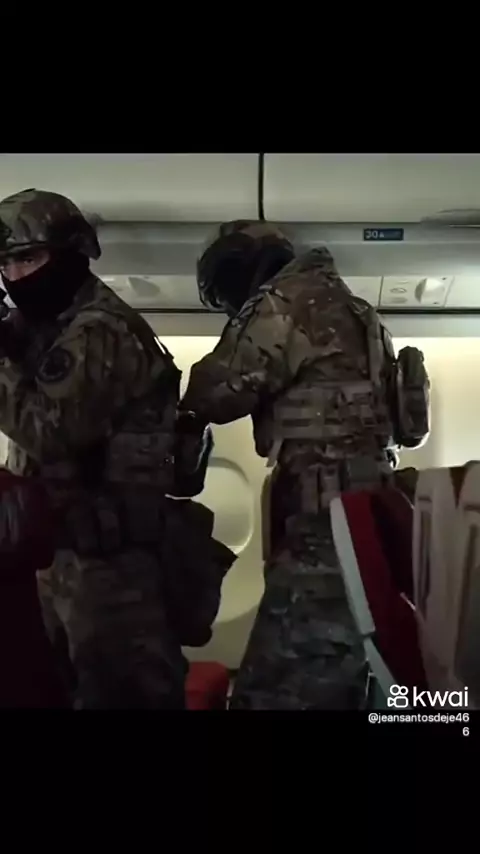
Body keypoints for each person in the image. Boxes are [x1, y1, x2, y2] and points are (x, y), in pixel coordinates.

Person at [0, 187, 235, 709]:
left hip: (111, 574)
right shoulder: (45, 327)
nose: (15, 276)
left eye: (28, 259)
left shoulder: (102, 332)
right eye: (5, 265)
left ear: (71, 255)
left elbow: (46, 430)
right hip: (55, 561)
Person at [180, 220, 430, 710]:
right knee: (339, 681)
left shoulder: (282, 304)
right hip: (368, 523)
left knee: (274, 691)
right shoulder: (362, 312)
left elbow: (215, 391)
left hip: (324, 533)